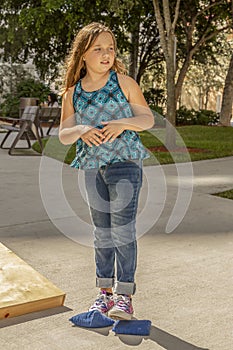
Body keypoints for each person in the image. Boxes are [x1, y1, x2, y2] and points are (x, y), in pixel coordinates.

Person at [59, 22, 154, 320]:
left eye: (110, 48)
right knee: (102, 232)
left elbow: (147, 119)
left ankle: (124, 295)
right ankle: (104, 293)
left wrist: (123, 123)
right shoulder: (72, 93)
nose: (106, 54)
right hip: (91, 167)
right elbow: (63, 133)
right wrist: (81, 129)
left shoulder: (124, 82)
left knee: (123, 229)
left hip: (125, 163)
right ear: (83, 54)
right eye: (98, 48)